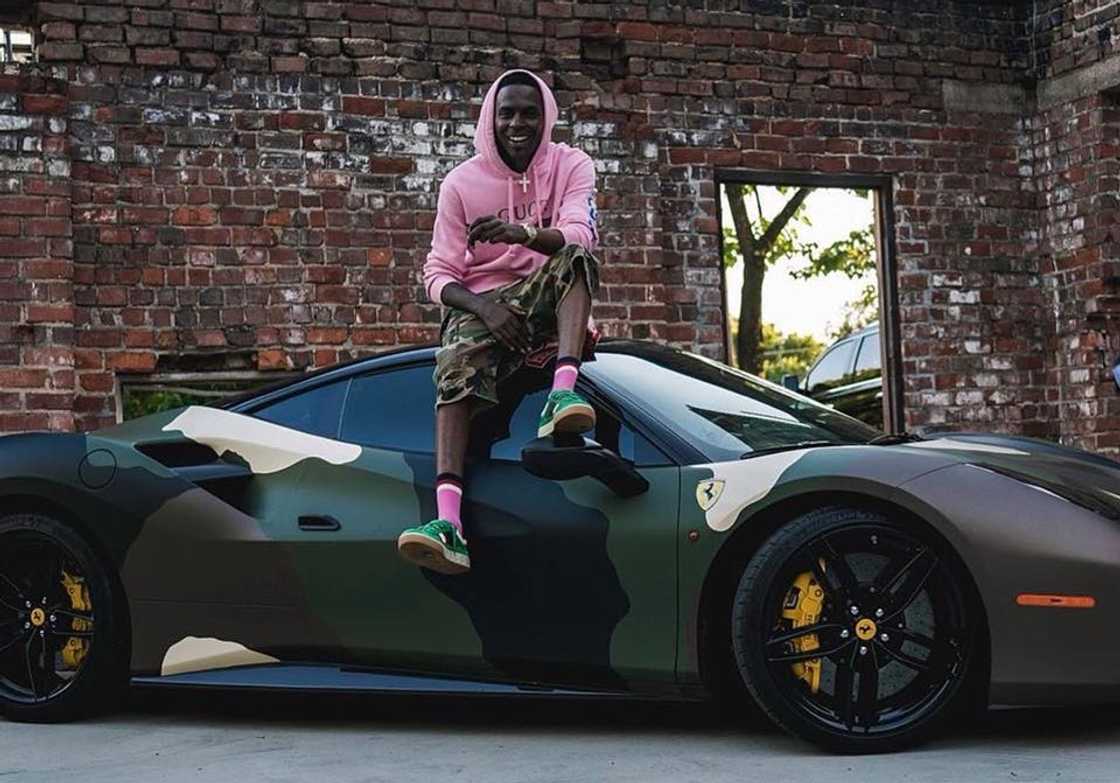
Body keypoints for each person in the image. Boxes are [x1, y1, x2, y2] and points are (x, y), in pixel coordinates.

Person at [396, 69, 601, 576]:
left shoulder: (572, 164)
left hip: (543, 299)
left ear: (546, 116)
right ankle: (448, 525)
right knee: (453, 367)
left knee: (576, 258)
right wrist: (486, 309)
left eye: (529, 112)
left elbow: (580, 234)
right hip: (483, 309)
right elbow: (437, 274)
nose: (518, 123)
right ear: (491, 116)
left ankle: (563, 393)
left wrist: (523, 233)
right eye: (506, 112)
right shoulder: (461, 184)